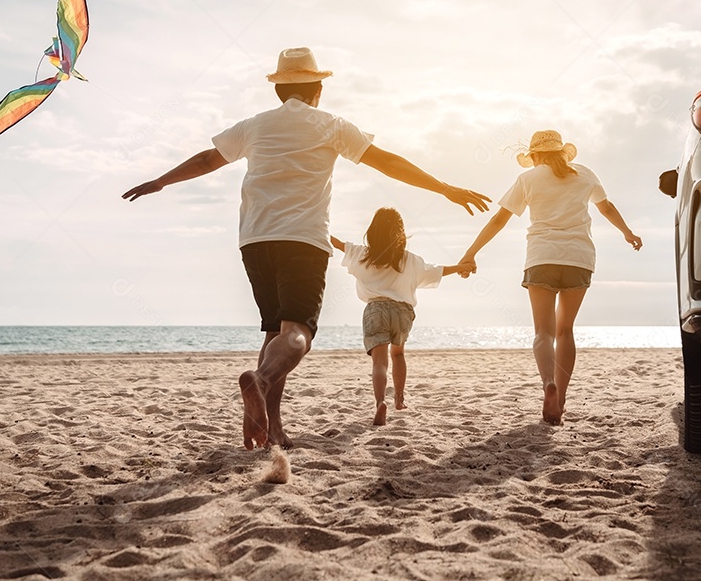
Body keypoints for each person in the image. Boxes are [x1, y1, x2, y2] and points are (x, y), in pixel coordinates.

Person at [123, 47, 490, 450]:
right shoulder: (331, 125)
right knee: (298, 333)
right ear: (318, 88)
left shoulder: (255, 126)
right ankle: (260, 382)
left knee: (274, 331)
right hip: (303, 239)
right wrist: (445, 188)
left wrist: (161, 181)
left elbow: (210, 159)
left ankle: (272, 429)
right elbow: (387, 162)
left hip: (255, 239)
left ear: (279, 91)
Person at [459, 130, 642, 425]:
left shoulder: (528, 180)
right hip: (579, 259)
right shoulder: (584, 174)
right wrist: (627, 232)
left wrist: (471, 253)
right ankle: (562, 400)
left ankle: (548, 384)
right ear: (561, 152)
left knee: (543, 333)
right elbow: (606, 207)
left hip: (542, 257)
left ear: (536, 156)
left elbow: (499, 219)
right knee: (565, 331)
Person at [331, 208, 475, 426]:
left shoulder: (362, 254)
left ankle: (380, 402)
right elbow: (437, 270)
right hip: (402, 312)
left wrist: (316, 226)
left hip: (375, 309)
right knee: (398, 355)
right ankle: (399, 400)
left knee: (380, 362)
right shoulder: (409, 260)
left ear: (372, 231)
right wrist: (461, 267)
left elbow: (337, 243)